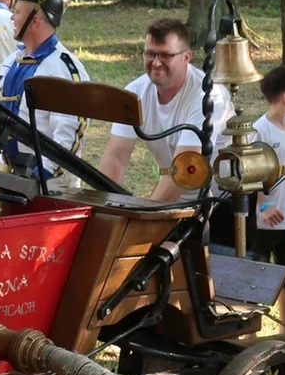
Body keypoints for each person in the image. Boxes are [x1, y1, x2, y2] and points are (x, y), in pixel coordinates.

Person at [98, 18, 239, 250]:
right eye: (150, 54)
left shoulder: (209, 96)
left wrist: (142, 222)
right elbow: (116, 157)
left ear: (186, 56)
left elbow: (186, 168)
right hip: (176, 203)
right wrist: (105, 213)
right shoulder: (135, 92)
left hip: (223, 204)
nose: (155, 63)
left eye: (165, 55)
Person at [0, 0, 90, 186]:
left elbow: (67, 137)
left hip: (51, 188)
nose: (12, 17)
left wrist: (38, 176)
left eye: (17, 12)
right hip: (11, 178)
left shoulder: (63, 69)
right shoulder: (13, 60)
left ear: (35, 20)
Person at [252, 67, 285, 332]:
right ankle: (250, 325)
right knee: (257, 276)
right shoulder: (258, 132)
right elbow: (249, 179)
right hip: (264, 224)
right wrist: (263, 206)